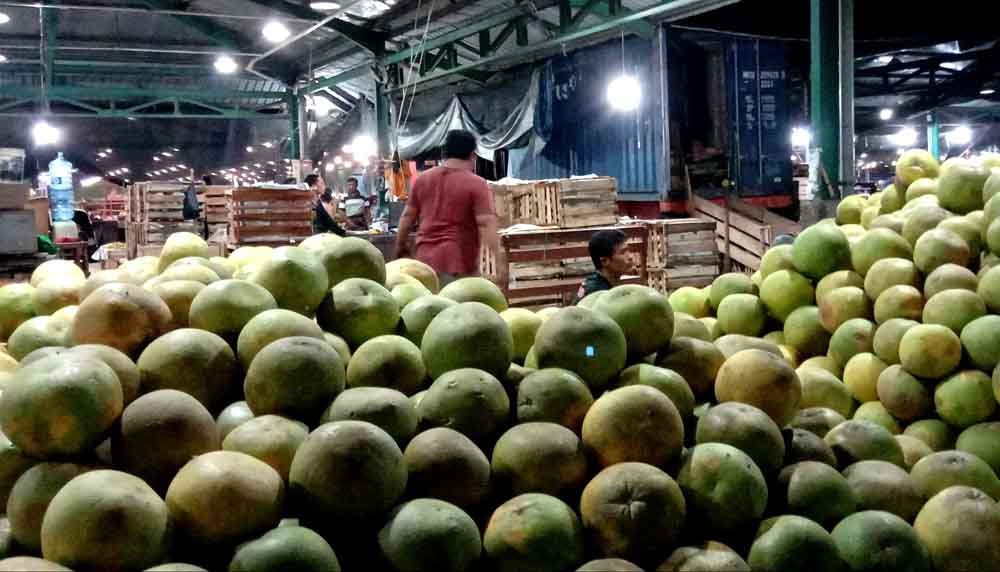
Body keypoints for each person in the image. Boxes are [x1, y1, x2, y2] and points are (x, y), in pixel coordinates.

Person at [394, 129, 498, 284]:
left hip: (424, 265)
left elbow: (407, 217)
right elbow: (486, 224)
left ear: (444, 153)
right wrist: (500, 260)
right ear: (472, 156)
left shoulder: (423, 180)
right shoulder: (477, 184)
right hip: (458, 265)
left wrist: (400, 246)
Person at [571, 229, 631, 305]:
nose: (630, 257)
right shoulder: (598, 293)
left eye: (629, 250)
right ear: (604, 261)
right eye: (623, 252)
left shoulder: (603, 282)